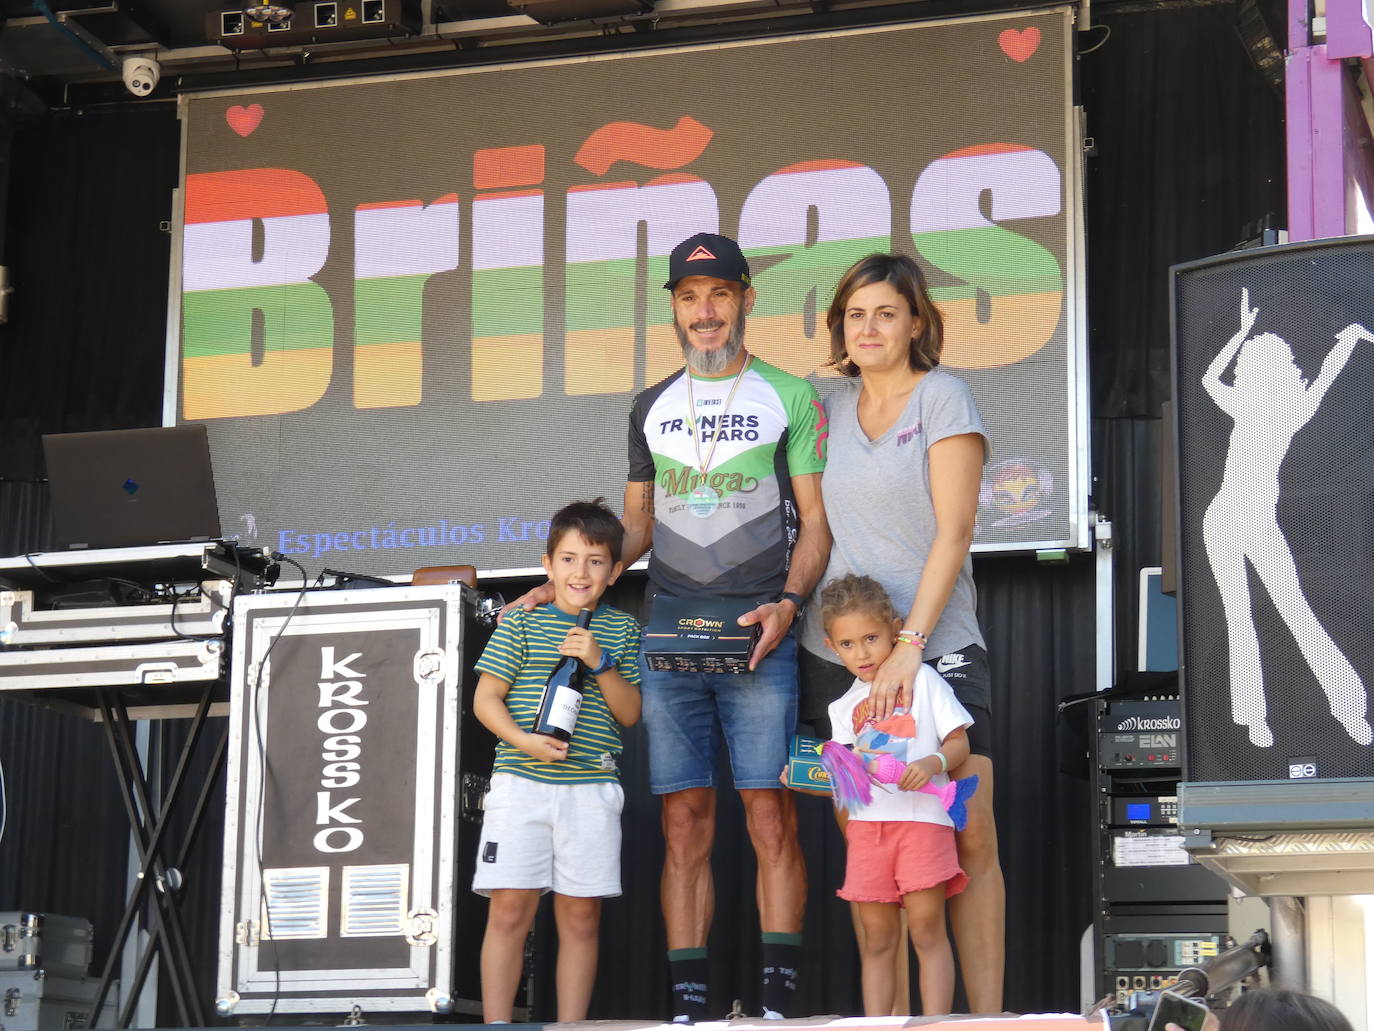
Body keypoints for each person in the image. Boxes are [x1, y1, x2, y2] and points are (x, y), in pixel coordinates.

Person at [508, 232, 830, 1021]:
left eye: (719, 293)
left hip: (762, 632)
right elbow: (636, 527)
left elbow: (817, 524)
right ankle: (689, 1006)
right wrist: (568, 582)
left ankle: (779, 1004)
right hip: (670, 633)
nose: (705, 310)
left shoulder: (790, 395)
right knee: (684, 820)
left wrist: (787, 605)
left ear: (747, 299)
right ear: (675, 310)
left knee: (769, 812)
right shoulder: (650, 405)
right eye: (689, 297)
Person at [796, 252, 1005, 1012]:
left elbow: (955, 531)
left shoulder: (944, 396)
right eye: (855, 314)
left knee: (968, 825)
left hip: (936, 642)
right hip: (839, 658)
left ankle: (983, 1022)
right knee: (868, 830)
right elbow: (814, 529)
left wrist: (910, 648)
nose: (869, 327)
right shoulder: (823, 408)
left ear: (917, 321)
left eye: (886, 312)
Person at [472, 498, 643, 1023]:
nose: (580, 572)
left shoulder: (621, 630)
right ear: (548, 565)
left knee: (581, 916)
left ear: (615, 571)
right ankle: (498, 1023)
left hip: (590, 789)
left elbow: (631, 714)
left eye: (595, 561)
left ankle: (571, 1025)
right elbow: (485, 700)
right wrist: (524, 741)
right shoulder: (523, 622)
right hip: (520, 784)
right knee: (509, 911)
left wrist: (600, 661)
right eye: (568, 559)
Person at [786, 574, 971, 1016]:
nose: (862, 653)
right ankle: (876, 1025)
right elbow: (847, 782)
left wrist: (932, 765)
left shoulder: (924, 680)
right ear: (832, 647)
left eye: (871, 638)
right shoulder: (841, 708)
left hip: (925, 823)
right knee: (877, 939)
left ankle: (935, 1024)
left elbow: (959, 743)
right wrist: (812, 776)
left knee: (927, 930)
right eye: (848, 644)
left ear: (896, 628)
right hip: (868, 832)